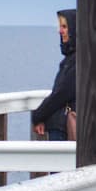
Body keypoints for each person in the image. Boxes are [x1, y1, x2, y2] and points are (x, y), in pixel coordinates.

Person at [29, 9, 77, 139]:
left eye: (65, 27)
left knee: (62, 160)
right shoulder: (71, 60)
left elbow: (61, 94)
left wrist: (38, 115)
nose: (60, 31)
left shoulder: (77, 61)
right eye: (60, 26)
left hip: (64, 128)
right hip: (60, 125)